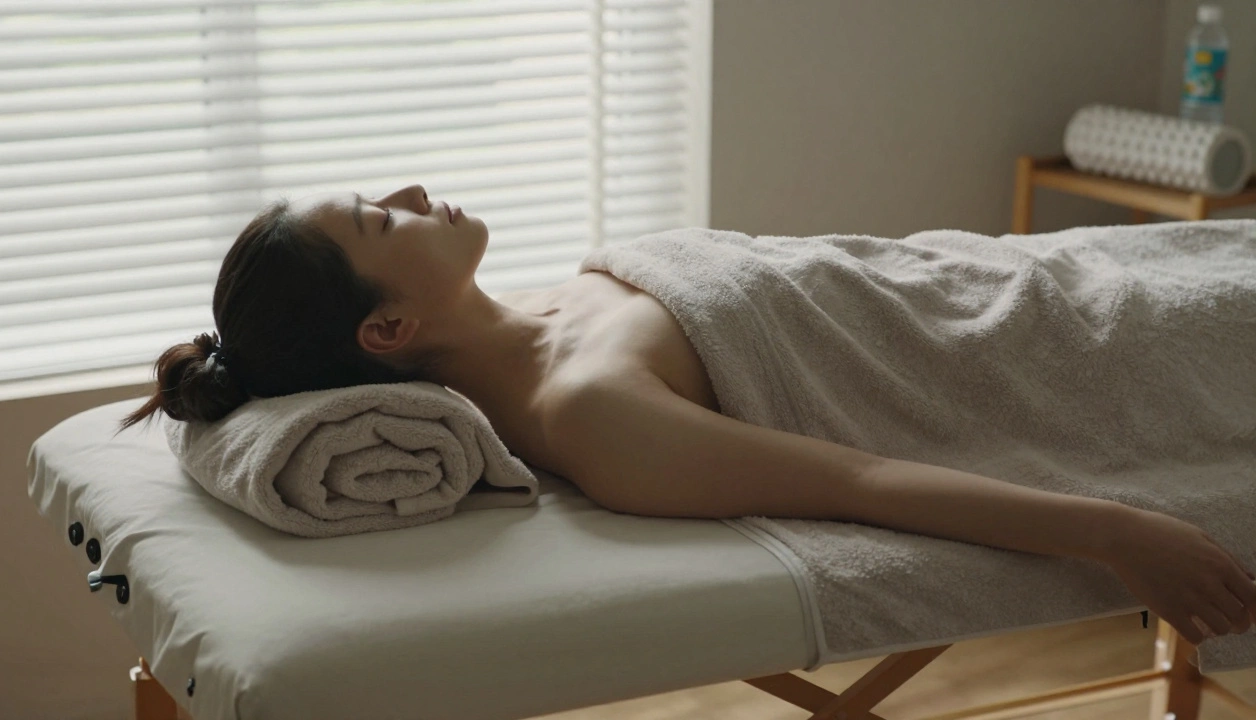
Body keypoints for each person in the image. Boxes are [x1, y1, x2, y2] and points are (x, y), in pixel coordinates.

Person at [120, 183, 1256, 648]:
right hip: (1070, 353)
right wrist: (1112, 529)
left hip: (1018, 276)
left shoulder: (566, 298)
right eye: (379, 218)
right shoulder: (594, 420)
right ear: (386, 332)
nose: (413, 194)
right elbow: (857, 484)